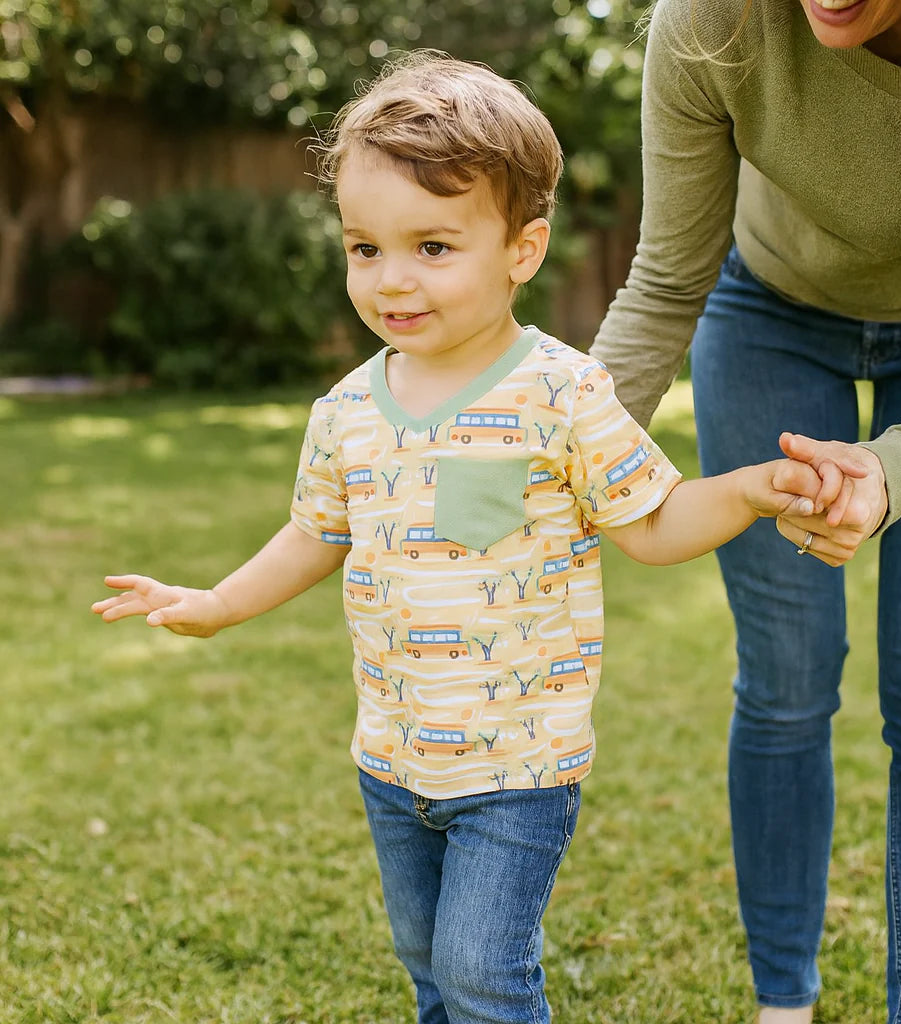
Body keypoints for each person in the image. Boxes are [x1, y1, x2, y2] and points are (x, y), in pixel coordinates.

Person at [91, 53, 836, 1024]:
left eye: (431, 247)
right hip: (391, 758)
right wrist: (215, 603)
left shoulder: (561, 393)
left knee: (485, 969)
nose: (391, 278)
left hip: (517, 766)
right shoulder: (347, 410)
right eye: (365, 248)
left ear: (521, 250)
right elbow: (313, 533)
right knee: (429, 966)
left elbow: (650, 525)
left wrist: (747, 489)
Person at [589, 1, 901, 1022]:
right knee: (783, 683)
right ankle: (782, 1004)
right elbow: (664, 281)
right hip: (770, 315)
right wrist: (554, 465)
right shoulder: (711, 21)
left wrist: (898, 467)